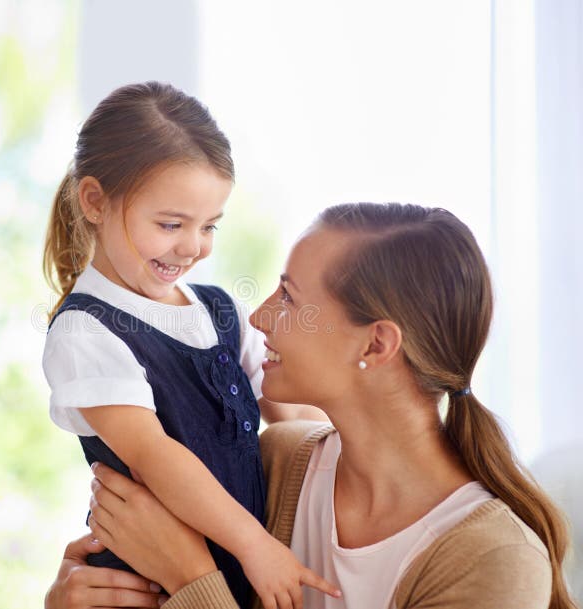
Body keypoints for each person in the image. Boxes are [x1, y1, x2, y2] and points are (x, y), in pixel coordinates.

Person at [47, 203, 577, 609]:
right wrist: (74, 595)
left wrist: (191, 578)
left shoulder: (493, 558)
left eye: (290, 299)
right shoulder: (277, 464)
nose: (258, 318)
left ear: (375, 345)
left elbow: (192, 577)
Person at [42, 81, 335, 609]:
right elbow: (156, 458)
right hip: (147, 588)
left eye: (209, 226)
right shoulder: (85, 331)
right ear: (94, 201)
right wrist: (256, 547)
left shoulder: (221, 311)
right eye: (171, 224)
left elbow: (294, 416)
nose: (194, 247)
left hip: (233, 576)